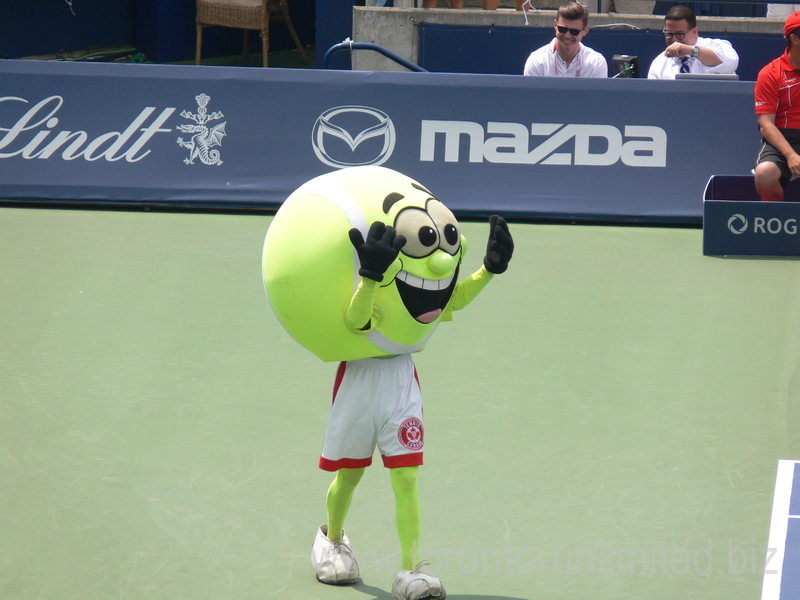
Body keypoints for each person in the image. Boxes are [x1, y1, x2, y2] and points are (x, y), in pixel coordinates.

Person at [754, 11, 800, 201]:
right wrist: (791, 155)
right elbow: (766, 125)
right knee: (765, 174)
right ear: (795, 39)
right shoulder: (771, 73)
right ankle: (781, 223)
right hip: (785, 137)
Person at [647, 5, 739, 79]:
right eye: (669, 34)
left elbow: (731, 63)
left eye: (680, 34)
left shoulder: (717, 46)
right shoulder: (659, 63)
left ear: (695, 32)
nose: (674, 40)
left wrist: (690, 51)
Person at [523, 2, 608, 78]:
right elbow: (530, 95)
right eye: (562, 29)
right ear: (555, 25)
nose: (567, 36)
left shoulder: (597, 62)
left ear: (585, 31)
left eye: (574, 31)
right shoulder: (537, 60)